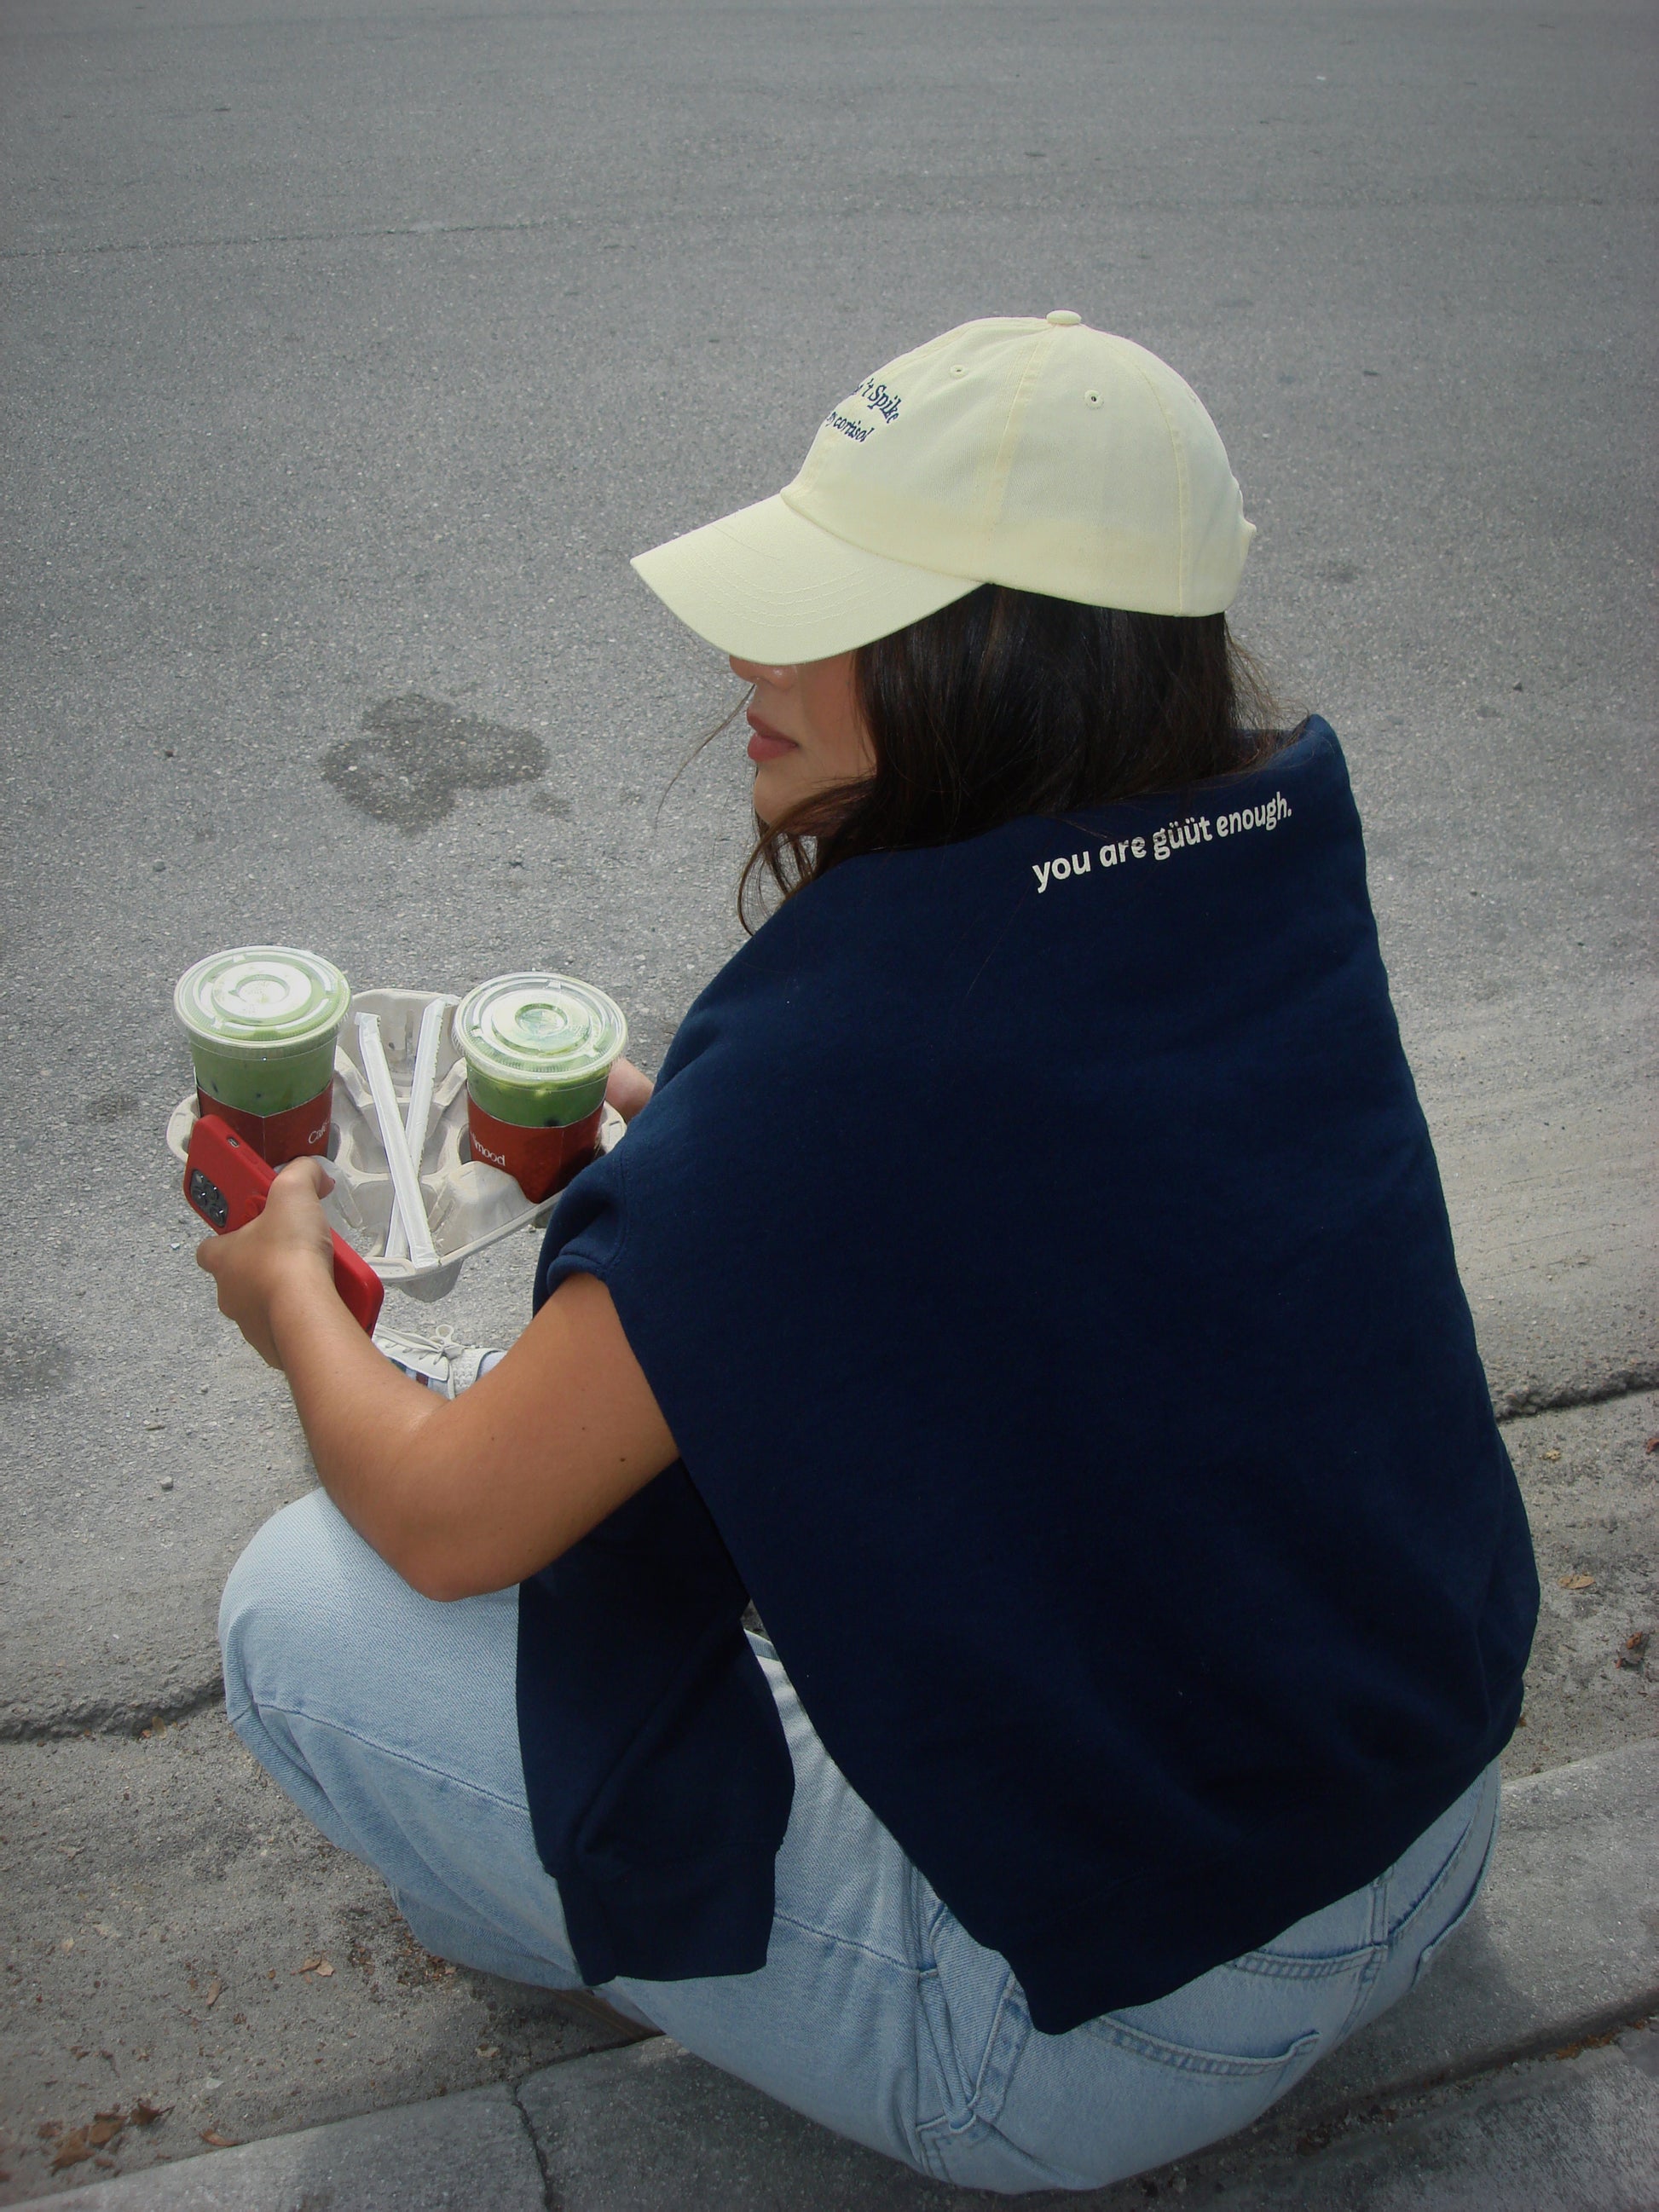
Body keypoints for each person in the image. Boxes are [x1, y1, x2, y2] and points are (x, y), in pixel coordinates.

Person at [203, 314, 1538, 2194]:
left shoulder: (854, 1059)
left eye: (826, 604)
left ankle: (553, 1921)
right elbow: (1050, 1216)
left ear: (996, 648)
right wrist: (709, 1178)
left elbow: (443, 1515)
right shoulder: (1253, 840)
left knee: (298, 1601)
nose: (749, 654)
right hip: (1422, 1812)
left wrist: (284, 1295)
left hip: (1087, 2037)